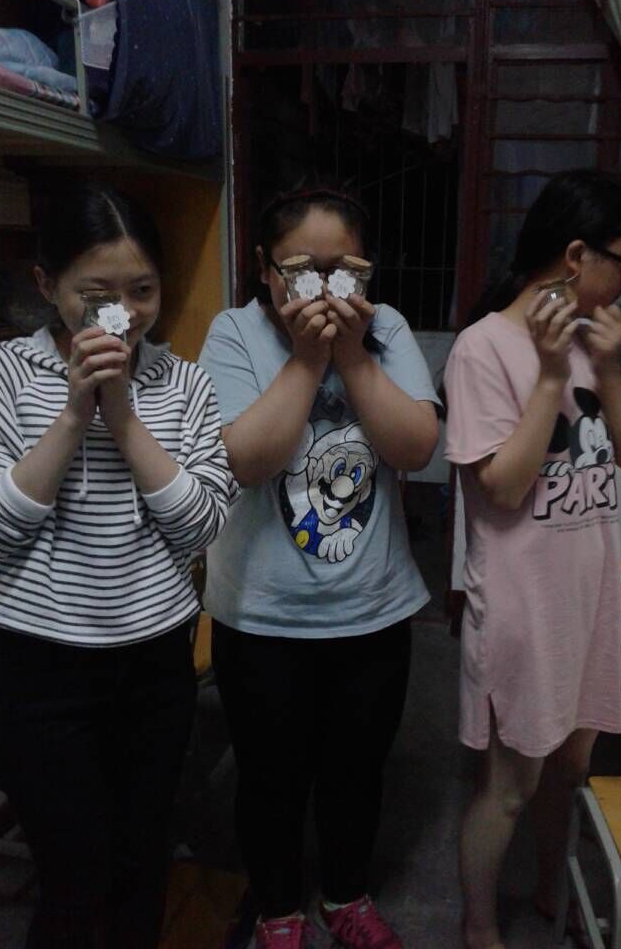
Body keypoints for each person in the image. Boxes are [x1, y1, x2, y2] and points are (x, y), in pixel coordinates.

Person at [0, 183, 236, 949]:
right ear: (46, 285)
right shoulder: (5, 375)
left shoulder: (186, 383)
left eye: (143, 292)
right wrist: (75, 414)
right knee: (72, 877)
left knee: (142, 861)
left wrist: (124, 416)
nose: (122, 315)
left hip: (155, 664)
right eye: (96, 296)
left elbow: (199, 527)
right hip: (35, 667)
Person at [198, 182, 440, 949]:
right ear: (264, 268)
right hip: (261, 614)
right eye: (303, 270)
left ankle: (345, 895)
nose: (327, 289)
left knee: (357, 773)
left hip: (373, 608)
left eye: (346, 271)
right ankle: (278, 910)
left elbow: (416, 449)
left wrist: (351, 355)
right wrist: (308, 359)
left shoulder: (386, 328)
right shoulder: (234, 333)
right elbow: (247, 462)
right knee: (268, 778)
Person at [443, 170, 621, 949]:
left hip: (587, 596)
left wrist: (611, 370)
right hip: (522, 606)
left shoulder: (595, 339)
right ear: (575, 255)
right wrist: (554, 377)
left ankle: (545, 883)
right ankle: (478, 924)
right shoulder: (482, 348)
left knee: (571, 765)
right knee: (510, 784)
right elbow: (501, 487)